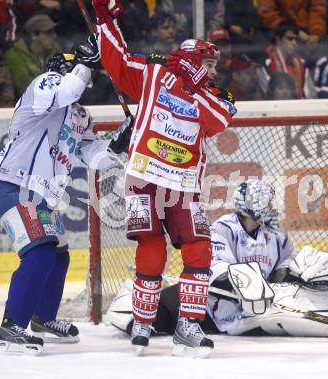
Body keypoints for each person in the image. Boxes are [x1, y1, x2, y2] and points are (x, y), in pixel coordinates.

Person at [91, 0, 237, 357]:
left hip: (184, 186)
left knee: (199, 249)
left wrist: (187, 87)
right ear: (191, 59)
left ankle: (188, 325)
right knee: (151, 249)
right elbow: (118, 62)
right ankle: (142, 323)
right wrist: (106, 19)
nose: (214, 72)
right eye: (209, 64)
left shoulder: (214, 94)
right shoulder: (154, 73)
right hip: (143, 177)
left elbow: (219, 119)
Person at [0, 35, 133, 355]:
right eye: (84, 71)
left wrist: (120, 144)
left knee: (58, 255)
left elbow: (92, 156)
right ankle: (11, 327)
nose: (88, 79)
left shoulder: (80, 116)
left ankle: (42, 318)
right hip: (15, 186)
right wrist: (83, 64)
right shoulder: (45, 83)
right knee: (39, 253)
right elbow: (68, 89)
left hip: (40, 197)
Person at [107, 179, 328, 338]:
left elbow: (285, 263)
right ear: (252, 205)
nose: (272, 207)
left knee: (303, 280)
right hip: (219, 307)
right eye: (267, 202)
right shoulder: (224, 228)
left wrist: (293, 276)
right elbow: (219, 271)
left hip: (260, 306)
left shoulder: (275, 233)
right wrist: (249, 286)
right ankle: (131, 304)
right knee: (164, 311)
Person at [4, 14, 61, 98]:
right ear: (34, 35)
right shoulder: (14, 55)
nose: (54, 36)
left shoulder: (56, 52)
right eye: (49, 32)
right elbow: (25, 86)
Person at [265, 21, 316, 99]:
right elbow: (265, 93)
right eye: (290, 39)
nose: (294, 43)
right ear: (278, 40)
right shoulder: (267, 62)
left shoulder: (301, 63)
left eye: (296, 39)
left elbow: (310, 94)